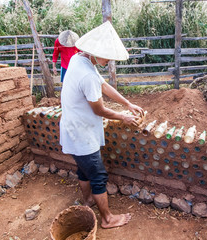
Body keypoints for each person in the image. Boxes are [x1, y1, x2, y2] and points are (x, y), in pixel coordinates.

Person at [60, 21, 144, 229]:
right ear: (96, 52)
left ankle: (88, 200)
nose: (108, 62)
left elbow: (104, 85)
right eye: (107, 57)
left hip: (75, 127)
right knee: (98, 175)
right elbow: (99, 110)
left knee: (83, 170)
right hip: (81, 132)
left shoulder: (80, 60)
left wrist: (127, 103)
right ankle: (107, 219)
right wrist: (123, 117)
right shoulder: (87, 74)